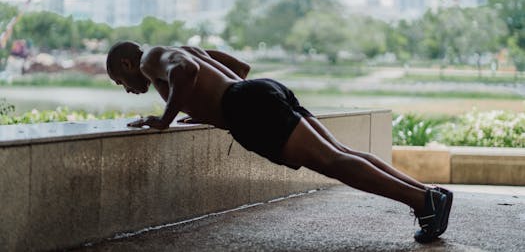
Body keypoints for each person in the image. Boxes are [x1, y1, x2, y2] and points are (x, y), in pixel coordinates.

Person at [106, 41, 453, 243]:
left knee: (334, 163)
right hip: (261, 91)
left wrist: (166, 119)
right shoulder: (183, 46)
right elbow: (239, 68)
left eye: (120, 80)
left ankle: (423, 201)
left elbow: (186, 73)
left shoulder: (150, 58)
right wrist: (206, 109)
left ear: (126, 62)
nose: (126, 88)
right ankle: (429, 195)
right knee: (341, 154)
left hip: (247, 106)